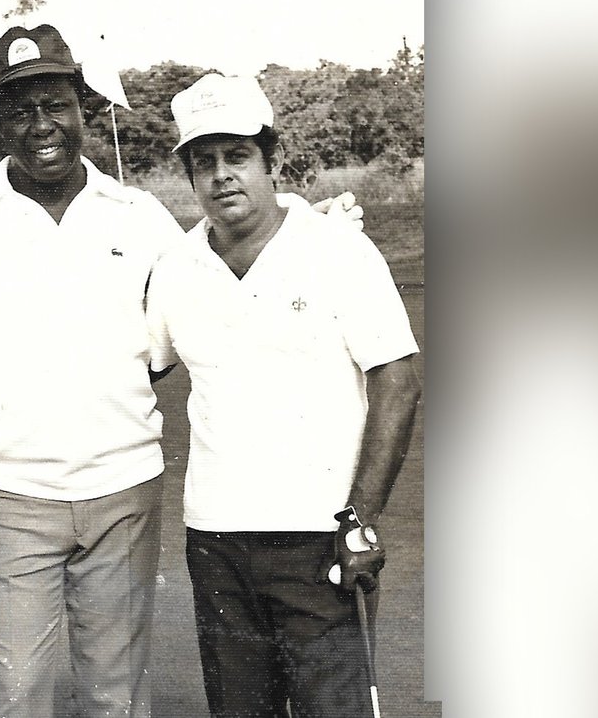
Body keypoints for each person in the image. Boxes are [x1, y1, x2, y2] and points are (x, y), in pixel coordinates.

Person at [0, 24, 187, 718]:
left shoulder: (141, 216)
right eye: (20, 109)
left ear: (82, 107)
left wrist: (302, 225)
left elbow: (188, 330)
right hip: (8, 495)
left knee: (117, 694)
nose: (41, 125)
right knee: (17, 692)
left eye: (55, 103)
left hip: (125, 492)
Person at [145, 73, 423, 718]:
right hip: (216, 540)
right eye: (203, 162)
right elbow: (146, 363)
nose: (222, 175)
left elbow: (397, 382)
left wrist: (360, 518)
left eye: (237, 155)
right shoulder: (176, 269)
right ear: (188, 174)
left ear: (270, 160)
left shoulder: (339, 251)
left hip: (320, 536)